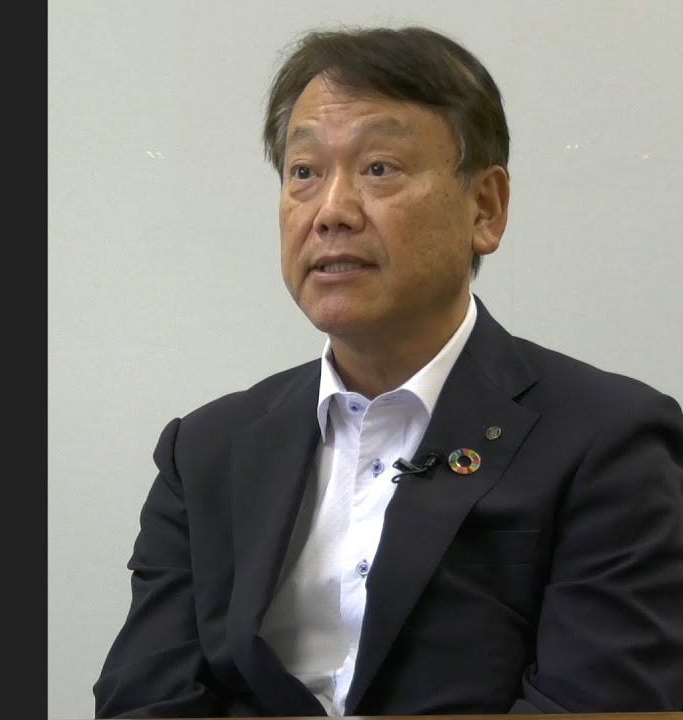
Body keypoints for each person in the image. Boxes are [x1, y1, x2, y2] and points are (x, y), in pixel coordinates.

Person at [93, 25, 683, 717]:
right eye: (304, 173)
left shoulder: (608, 440)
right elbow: (144, 697)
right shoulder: (204, 450)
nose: (331, 213)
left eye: (379, 168)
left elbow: (599, 702)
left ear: (485, 208)